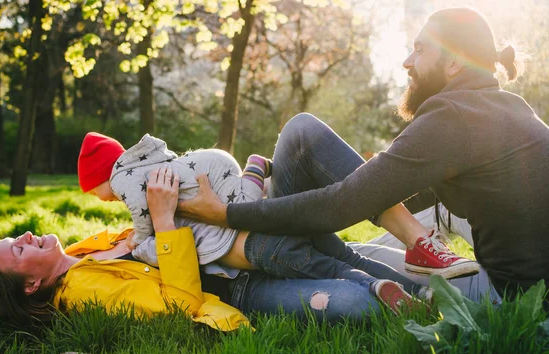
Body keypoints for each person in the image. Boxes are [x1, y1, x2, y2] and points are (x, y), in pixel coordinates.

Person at [178, 8, 549, 304]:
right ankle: (287, 255)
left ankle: (261, 266)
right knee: (306, 138)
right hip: (529, 294)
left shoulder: (453, 115)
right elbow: (395, 190)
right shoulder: (507, 108)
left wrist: (225, 213)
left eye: (420, 50)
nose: (407, 62)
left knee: (348, 249)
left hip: (509, 303)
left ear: (454, 64)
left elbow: (341, 206)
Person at [0, 169, 424, 328]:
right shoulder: (84, 291)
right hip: (239, 287)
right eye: (19, 250)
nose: (26, 236)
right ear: (31, 283)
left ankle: (424, 292)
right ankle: (410, 293)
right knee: (356, 305)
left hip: (238, 241)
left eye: (18, 237)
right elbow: (179, 303)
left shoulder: (84, 249)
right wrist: (164, 221)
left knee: (345, 259)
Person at [78, 132, 477, 281]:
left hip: (248, 238)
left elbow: (150, 231)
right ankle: (423, 273)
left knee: (335, 262)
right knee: (344, 265)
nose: (33, 236)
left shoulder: (127, 189)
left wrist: (144, 240)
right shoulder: (87, 274)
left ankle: (424, 244)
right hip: (240, 251)